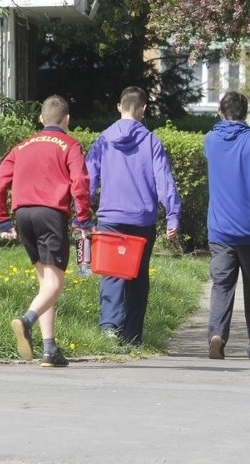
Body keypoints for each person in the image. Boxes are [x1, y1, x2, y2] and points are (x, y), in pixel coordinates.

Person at [0, 94, 94, 368]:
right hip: (51, 214)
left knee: (46, 283)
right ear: (67, 120)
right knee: (55, 283)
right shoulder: (70, 145)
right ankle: (26, 321)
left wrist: (2, 219)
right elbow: (81, 183)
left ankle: (50, 349)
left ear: (41, 119)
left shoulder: (22, 146)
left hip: (23, 214)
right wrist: (83, 218)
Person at [85, 86, 181, 346]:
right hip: (142, 220)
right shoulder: (151, 141)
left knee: (111, 273)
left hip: (111, 218)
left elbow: (88, 178)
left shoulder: (103, 140)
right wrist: (173, 217)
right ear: (143, 109)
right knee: (138, 277)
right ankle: (132, 336)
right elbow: (165, 182)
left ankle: (109, 327)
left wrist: (81, 214)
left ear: (119, 106)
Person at [203, 91, 250, 359]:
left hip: (220, 228)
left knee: (222, 285)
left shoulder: (210, 140)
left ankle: (216, 335)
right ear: (245, 113)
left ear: (221, 111)